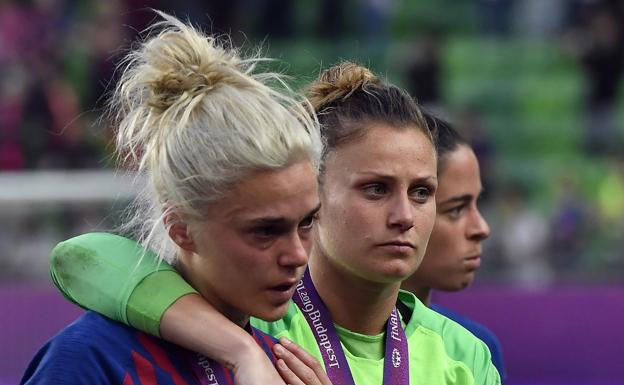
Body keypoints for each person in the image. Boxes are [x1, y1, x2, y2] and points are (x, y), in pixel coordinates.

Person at [47, 62, 502, 384]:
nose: (404, 215)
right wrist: (239, 348)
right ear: (317, 192)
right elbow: (81, 259)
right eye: (375, 189)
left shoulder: (466, 353)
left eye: (423, 192)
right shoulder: (263, 326)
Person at [20, 11, 331, 385]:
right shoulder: (91, 359)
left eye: (307, 222)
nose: (297, 255)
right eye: (265, 230)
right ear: (181, 227)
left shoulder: (286, 365)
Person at [401, 116, 507, 382]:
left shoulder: (474, 348)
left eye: (477, 204)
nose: (481, 228)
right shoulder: (293, 335)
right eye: (457, 209)